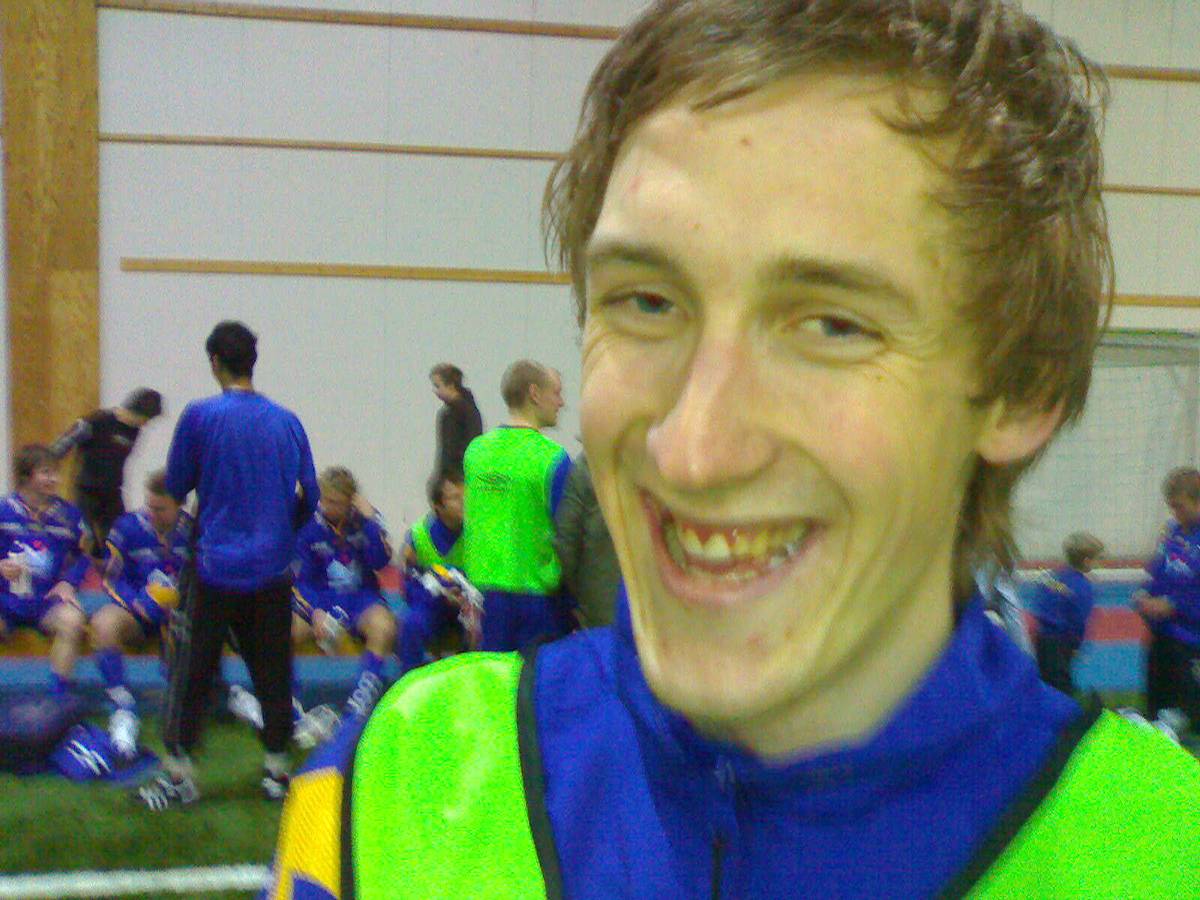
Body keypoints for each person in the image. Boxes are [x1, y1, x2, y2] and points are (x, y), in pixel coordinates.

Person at [267, 2, 1200, 896]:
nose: (692, 452)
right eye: (646, 302)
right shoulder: (395, 783)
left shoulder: (1162, 858)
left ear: (1019, 388)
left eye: (832, 324)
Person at [140, 320, 318, 810]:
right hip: (272, 569)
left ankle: (180, 775)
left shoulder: (200, 416)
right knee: (274, 671)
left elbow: (177, 485)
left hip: (214, 566)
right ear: (252, 362)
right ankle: (277, 772)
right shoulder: (288, 422)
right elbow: (311, 495)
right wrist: (280, 532)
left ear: (215, 362)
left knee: (191, 671)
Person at [462, 359, 571, 652]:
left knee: (493, 677)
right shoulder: (552, 458)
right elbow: (568, 533)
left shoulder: (476, 452)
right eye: (556, 393)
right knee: (535, 678)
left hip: (484, 594)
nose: (561, 403)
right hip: (536, 596)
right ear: (534, 393)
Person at [90, 469, 193, 757]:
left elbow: (204, 580)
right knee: (103, 623)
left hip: (177, 616)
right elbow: (111, 578)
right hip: (136, 614)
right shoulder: (127, 527)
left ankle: (195, 702)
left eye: (160, 509)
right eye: (150, 506)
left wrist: (179, 601)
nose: (152, 514)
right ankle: (122, 704)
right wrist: (136, 602)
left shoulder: (194, 532)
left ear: (178, 506)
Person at [291, 466, 396, 729]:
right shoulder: (308, 524)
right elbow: (302, 581)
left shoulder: (366, 521)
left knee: (384, 627)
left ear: (351, 501)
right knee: (284, 627)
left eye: (336, 502)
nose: (328, 507)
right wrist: (314, 612)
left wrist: (370, 521)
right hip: (322, 599)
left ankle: (359, 704)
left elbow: (380, 561)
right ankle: (289, 704)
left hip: (361, 599)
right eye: (324, 500)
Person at [0, 446, 88, 697]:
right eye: (46, 473)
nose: (54, 479)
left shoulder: (70, 516)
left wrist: (69, 582)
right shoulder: (3, 511)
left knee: (73, 620)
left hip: (46, 601)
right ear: (26, 476)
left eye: (56, 473)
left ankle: (59, 697)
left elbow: (84, 556)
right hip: (5, 601)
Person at [49, 388, 163, 557]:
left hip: (112, 494)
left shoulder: (135, 432)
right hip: (87, 491)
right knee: (85, 538)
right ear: (136, 410)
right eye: (145, 419)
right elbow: (61, 445)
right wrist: (48, 471)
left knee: (122, 537)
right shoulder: (97, 421)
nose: (145, 424)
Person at [1134, 467, 1200, 735]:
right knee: (1155, 710)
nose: (1175, 513)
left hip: (1191, 641)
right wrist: (1145, 594)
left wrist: (1174, 605)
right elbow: (1158, 568)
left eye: (1180, 507)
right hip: (1163, 635)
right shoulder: (1172, 531)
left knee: (1186, 722)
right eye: (1171, 507)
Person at [397, 469, 478, 674]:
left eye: (465, 495)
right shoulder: (418, 537)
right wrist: (438, 595)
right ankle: (410, 682)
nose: (464, 502)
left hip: (468, 606)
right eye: (455, 498)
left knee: (488, 624)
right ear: (437, 506)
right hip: (432, 605)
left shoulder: (478, 534)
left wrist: (466, 598)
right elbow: (408, 586)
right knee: (410, 625)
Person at [1029, 532, 1104, 696]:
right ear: (1087, 561)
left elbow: (1040, 602)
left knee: (1045, 682)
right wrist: (1077, 644)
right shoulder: (1082, 586)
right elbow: (1079, 620)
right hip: (1062, 641)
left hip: (1042, 638)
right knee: (1061, 685)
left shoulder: (1052, 578)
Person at [554, 452, 620, 628]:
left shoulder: (587, 465)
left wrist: (581, 596)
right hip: (662, 614)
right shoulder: (670, 460)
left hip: (599, 608)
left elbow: (566, 542)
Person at [429, 363, 483, 483]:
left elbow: (450, 451)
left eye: (438, 386)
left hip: (458, 478)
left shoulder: (458, 413)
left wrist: (446, 477)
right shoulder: (467, 409)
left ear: (450, 385)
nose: (436, 392)